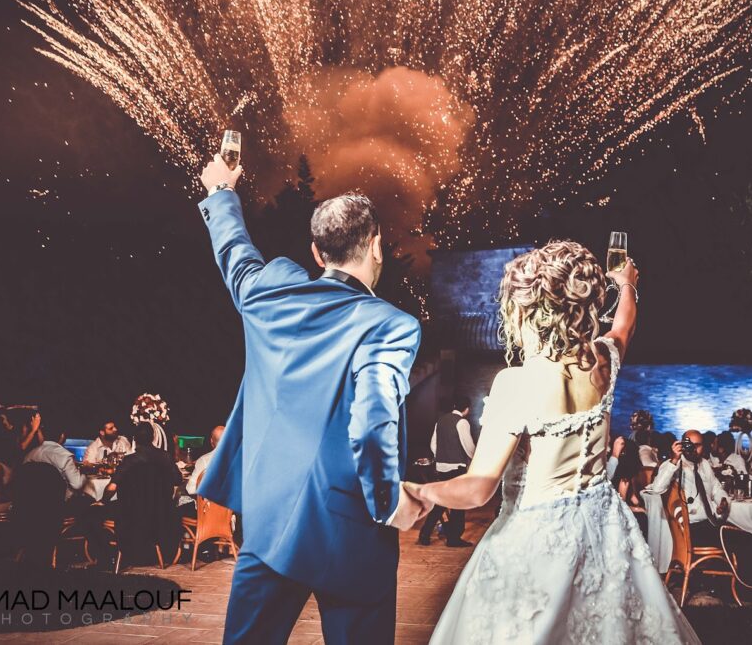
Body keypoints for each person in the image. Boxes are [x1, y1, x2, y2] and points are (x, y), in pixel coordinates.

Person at [407, 241, 699, 643]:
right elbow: (624, 324)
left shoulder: (516, 384)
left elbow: (478, 489)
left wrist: (421, 490)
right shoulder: (603, 362)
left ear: (530, 312)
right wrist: (626, 282)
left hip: (537, 542)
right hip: (605, 532)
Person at [195, 155, 427, 644]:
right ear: (377, 245)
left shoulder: (269, 294)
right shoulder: (391, 325)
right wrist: (388, 504)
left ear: (317, 254)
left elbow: (236, 255)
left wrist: (221, 192)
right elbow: (372, 420)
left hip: (268, 518)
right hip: (351, 533)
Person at [95, 421, 184, 564]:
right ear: (153, 437)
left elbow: (112, 487)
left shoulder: (129, 461)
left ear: (135, 439)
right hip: (160, 513)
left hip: (131, 514)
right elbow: (178, 480)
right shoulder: (165, 457)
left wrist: (102, 501)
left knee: (89, 516)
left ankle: (107, 557)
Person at [646, 430, 730, 547]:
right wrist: (674, 459)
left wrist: (723, 501)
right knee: (745, 543)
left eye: (697, 445)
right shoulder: (673, 465)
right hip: (690, 528)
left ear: (703, 446)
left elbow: (716, 488)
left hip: (710, 523)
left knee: (748, 538)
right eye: (689, 445)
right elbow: (657, 489)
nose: (693, 449)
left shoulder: (705, 464)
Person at [418, 397, 476, 547]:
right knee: (458, 503)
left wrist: (442, 457)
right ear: (467, 409)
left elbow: (433, 444)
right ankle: (453, 538)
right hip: (457, 468)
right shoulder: (462, 422)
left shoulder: (441, 421)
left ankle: (425, 533)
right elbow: (468, 445)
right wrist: (474, 460)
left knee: (441, 502)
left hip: (442, 468)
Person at [21, 415, 92, 515]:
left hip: (30, 505)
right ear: (62, 436)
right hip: (59, 506)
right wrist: (85, 471)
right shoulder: (64, 456)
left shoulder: (30, 455)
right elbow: (77, 485)